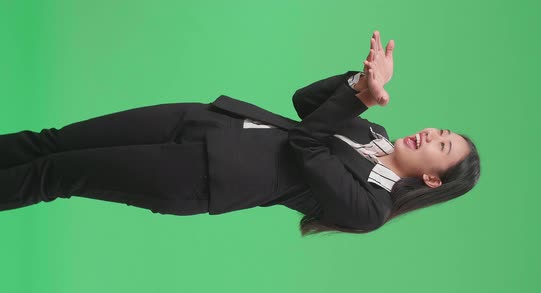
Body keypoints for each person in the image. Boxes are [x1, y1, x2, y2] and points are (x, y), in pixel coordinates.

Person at [0, 31, 480, 236]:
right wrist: (360, 82)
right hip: (208, 121)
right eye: (438, 130)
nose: (428, 134)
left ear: (435, 180)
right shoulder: (374, 131)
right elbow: (306, 104)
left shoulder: (371, 208)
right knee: (51, 142)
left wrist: (358, 100)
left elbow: (307, 143)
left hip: (200, 174)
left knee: (55, 174)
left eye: (441, 146)